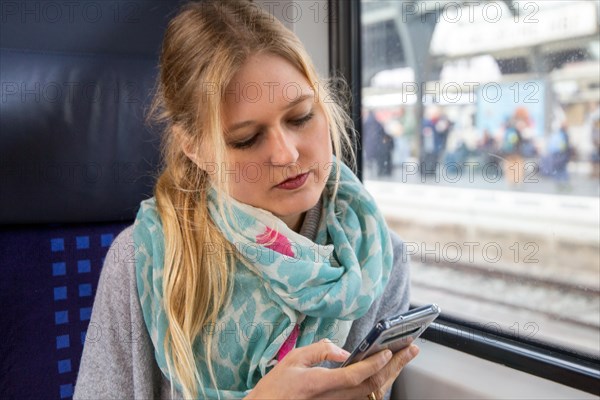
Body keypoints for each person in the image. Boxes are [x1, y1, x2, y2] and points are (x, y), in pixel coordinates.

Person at [73, 1, 415, 399]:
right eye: (246, 139)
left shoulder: (377, 256)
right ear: (195, 149)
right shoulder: (145, 261)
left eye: (301, 116)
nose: (286, 154)